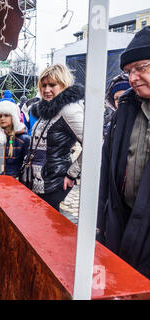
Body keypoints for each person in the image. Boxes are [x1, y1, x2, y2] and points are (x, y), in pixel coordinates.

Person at [97, 26, 150, 278]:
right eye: (129, 71)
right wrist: (101, 222)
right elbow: (106, 173)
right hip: (121, 222)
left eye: (141, 67)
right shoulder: (124, 111)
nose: (132, 77)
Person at [20, 64, 84, 211]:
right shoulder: (47, 108)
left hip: (54, 183)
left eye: (52, 85)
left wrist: (72, 174)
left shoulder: (70, 110)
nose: (46, 90)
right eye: (43, 85)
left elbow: (94, 145)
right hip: (36, 179)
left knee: (48, 223)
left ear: (63, 84)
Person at [0, 100, 30, 178]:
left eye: (6, 115)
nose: (2, 118)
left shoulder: (24, 139)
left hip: (16, 184)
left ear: (14, 117)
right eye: (0, 116)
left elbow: (27, 167)